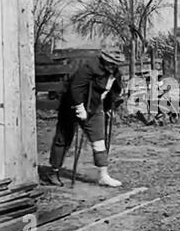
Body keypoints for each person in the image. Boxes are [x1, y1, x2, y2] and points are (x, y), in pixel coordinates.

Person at [43, 50, 124, 187]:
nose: (113, 66)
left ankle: (103, 176)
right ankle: (53, 171)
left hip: (95, 106)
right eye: (110, 63)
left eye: (115, 64)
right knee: (63, 139)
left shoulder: (115, 73)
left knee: (99, 141)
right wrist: (79, 107)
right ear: (104, 60)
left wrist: (109, 106)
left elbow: (113, 90)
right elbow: (76, 88)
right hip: (72, 105)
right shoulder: (89, 68)